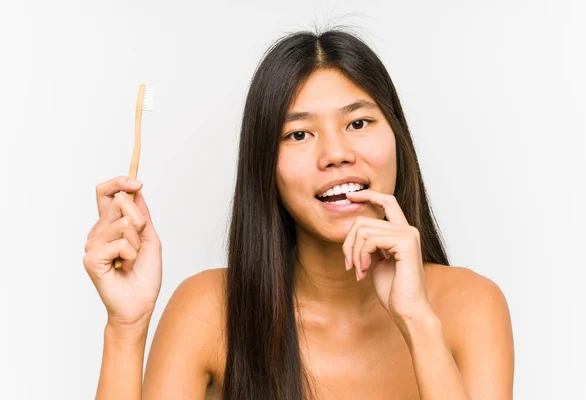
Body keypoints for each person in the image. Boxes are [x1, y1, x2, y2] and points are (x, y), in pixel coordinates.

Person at [83, 28, 514, 400]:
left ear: (398, 137)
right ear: (265, 165)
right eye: (299, 134)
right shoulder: (208, 310)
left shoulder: (471, 307)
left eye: (358, 123)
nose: (336, 154)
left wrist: (418, 323)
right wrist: (126, 325)